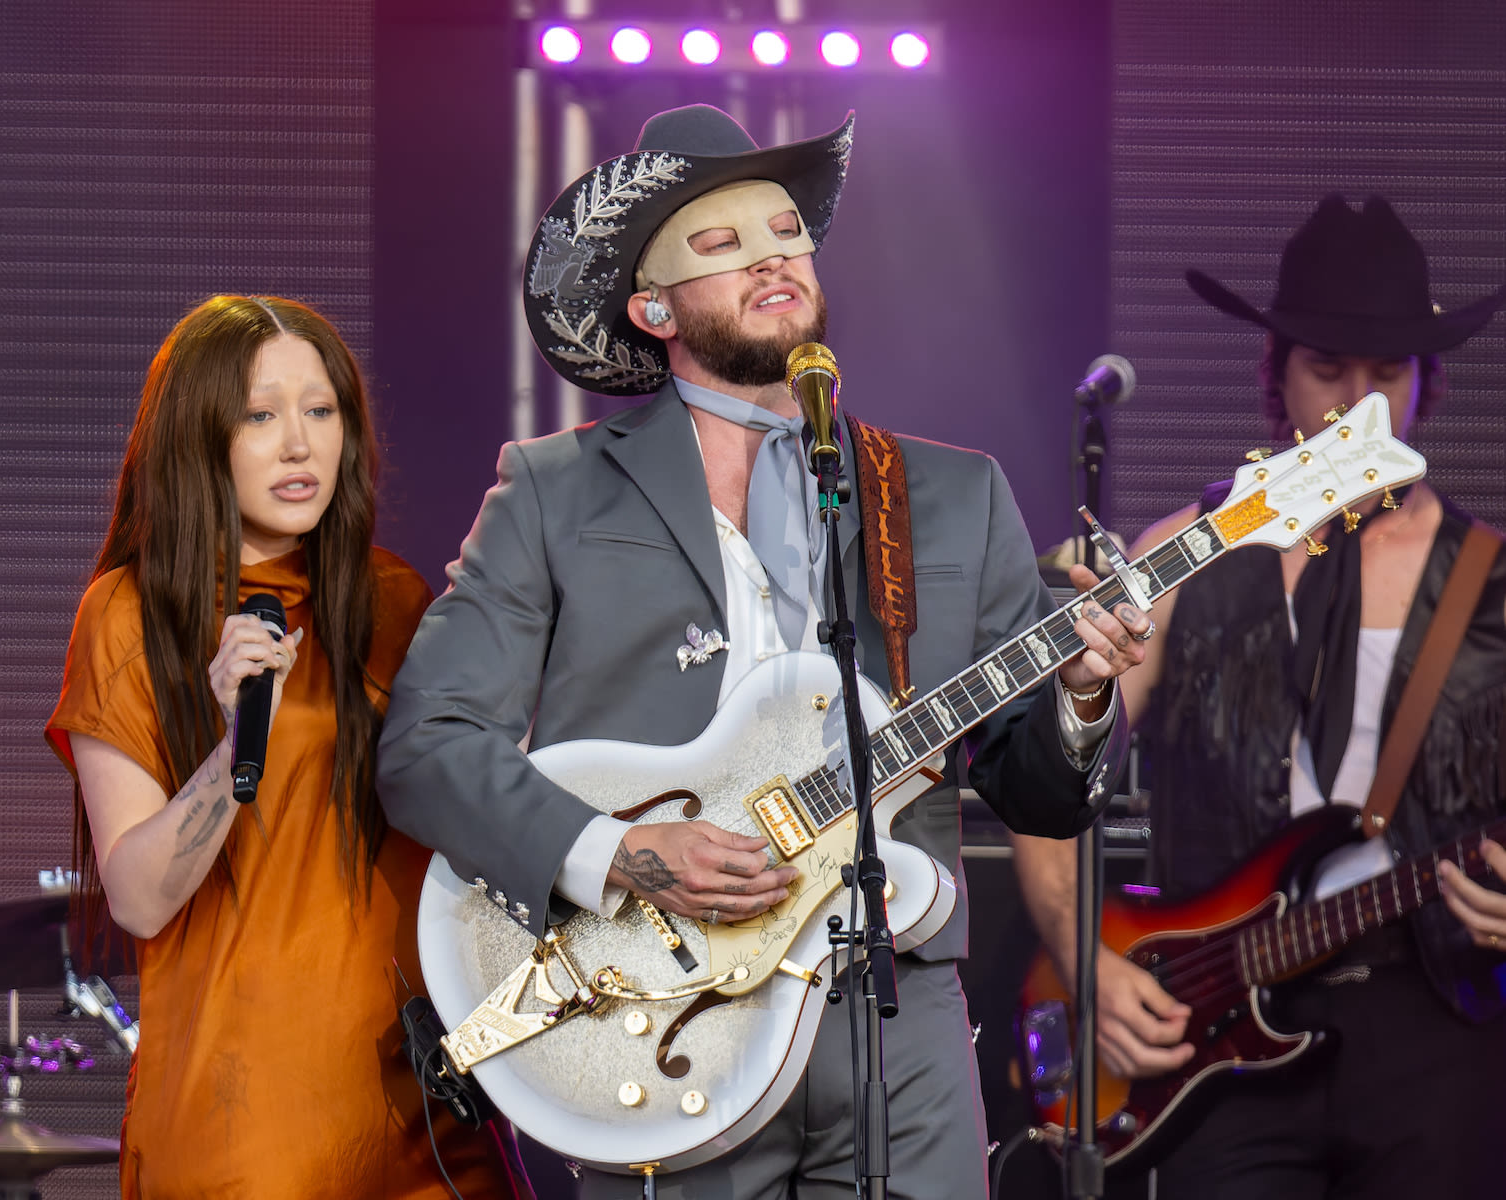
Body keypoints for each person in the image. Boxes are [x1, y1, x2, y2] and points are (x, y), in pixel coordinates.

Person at [376, 104, 1149, 1198]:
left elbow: (1032, 790)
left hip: (892, 1009)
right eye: (721, 244)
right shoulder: (554, 491)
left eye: (785, 233)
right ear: (653, 308)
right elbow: (427, 747)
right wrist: (622, 855)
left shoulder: (946, 495)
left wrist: (1076, 695)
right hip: (661, 1004)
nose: (772, 259)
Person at [1010, 194, 1506, 1198]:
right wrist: (1085, 957)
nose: (1357, 407)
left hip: (1432, 1024)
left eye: (1386, 375)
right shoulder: (1179, 557)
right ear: (1273, 372)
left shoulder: (1489, 582)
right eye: (1327, 368)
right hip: (1214, 1024)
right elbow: (1043, 778)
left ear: (1429, 384)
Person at [46, 296, 517, 1198]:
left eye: (321, 410)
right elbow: (140, 898)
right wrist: (232, 745)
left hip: (419, 1097)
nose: (299, 445)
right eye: (260, 415)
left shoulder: (393, 600)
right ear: (198, 437)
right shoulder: (129, 614)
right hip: (247, 1117)